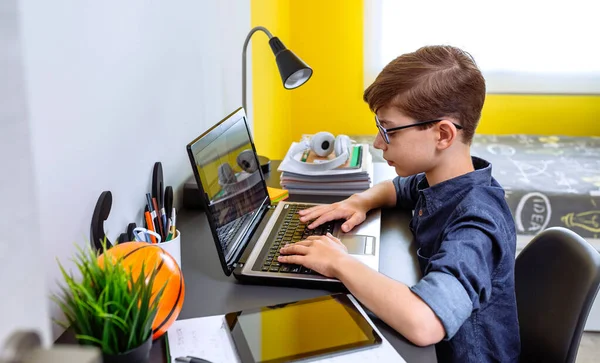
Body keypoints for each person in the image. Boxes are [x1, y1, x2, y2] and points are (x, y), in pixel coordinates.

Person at [277, 45, 520, 362]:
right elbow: (399, 189)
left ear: (442, 135)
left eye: (388, 130)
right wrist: (358, 201)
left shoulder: (477, 224)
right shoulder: (442, 179)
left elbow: (425, 323)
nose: (378, 142)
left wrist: (340, 262)